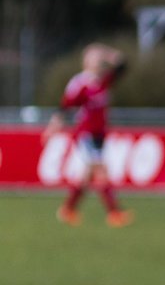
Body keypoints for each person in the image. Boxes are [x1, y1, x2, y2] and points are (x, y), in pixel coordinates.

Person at [43, 42, 133, 227]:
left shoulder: (103, 81)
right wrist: (53, 126)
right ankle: (114, 213)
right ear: (85, 61)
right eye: (94, 57)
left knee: (86, 176)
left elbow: (123, 66)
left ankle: (68, 210)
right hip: (85, 134)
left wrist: (108, 53)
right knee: (101, 170)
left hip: (100, 134)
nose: (98, 60)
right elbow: (65, 106)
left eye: (100, 58)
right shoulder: (80, 82)